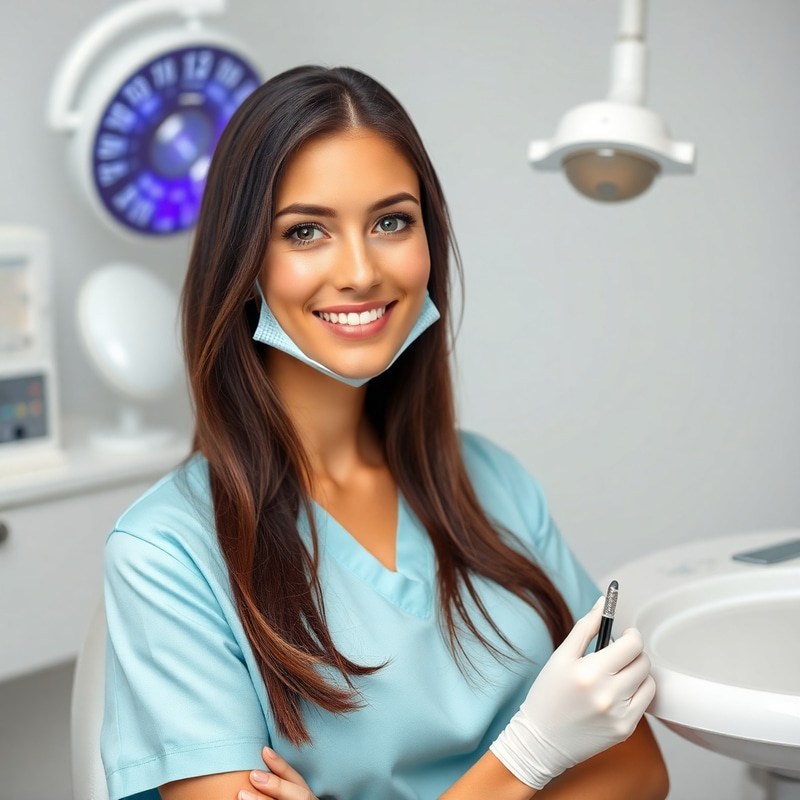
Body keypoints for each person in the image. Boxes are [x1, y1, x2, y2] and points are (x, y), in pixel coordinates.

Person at [101, 65, 669, 800]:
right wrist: (531, 757)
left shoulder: (493, 482)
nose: (361, 270)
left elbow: (638, 770)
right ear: (243, 265)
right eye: (305, 231)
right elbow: (577, 760)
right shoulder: (166, 556)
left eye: (391, 222)